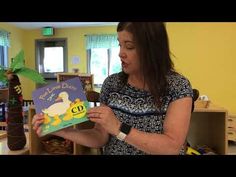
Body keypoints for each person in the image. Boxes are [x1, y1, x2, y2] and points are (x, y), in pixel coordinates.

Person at [32, 22, 193, 155]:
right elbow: (99, 137)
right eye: (120, 44)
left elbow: (171, 146)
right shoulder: (112, 84)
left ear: (152, 50)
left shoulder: (177, 86)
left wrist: (118, 127)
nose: (120, 53)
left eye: (129, 46)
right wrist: (61, 130)